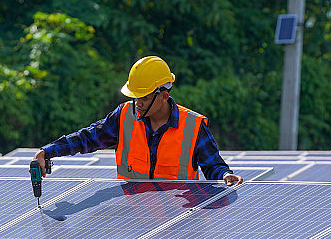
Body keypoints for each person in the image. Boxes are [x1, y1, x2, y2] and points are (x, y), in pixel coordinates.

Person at [33, 55, 243, 184]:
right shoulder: (124, 116)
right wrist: (48, 151)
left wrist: (225, 176)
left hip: (178, 226)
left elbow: (213, 165)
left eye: (143, 98)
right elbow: (87, 138)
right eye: (135, 97)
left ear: (163, 96)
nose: (138, 104)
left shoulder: (193, 127)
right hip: (131, 223)